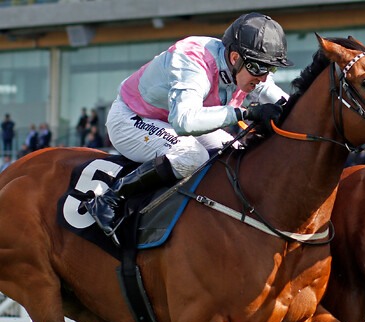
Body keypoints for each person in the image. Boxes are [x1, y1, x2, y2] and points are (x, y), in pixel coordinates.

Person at [84, 12, 294, 241]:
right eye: (260, 69)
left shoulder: (249, 67)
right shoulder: (193, 62)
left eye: (270, 69)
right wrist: (248, 112)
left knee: (236, 157)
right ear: (235, 58)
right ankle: (110, 198)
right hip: (131, 119)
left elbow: (282, 101)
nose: (264, 78)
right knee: (193, 157)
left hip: (169, 121)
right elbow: (185, 122)